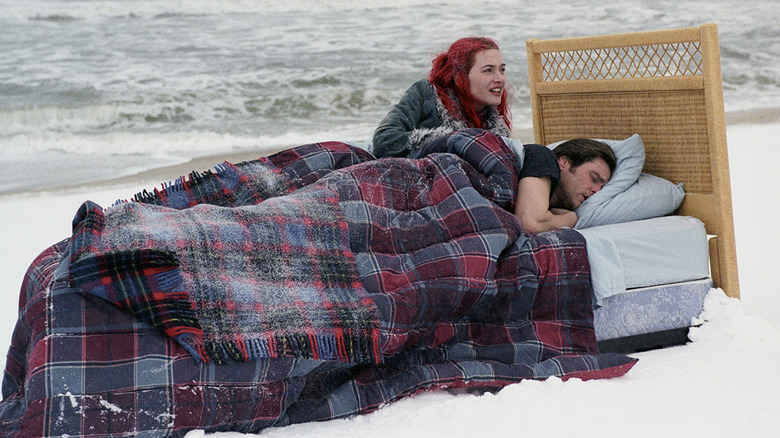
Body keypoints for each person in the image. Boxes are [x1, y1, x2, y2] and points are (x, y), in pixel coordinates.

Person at [372, 37, 512, 158]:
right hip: (425, 180)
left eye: (502, 70)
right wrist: (451, 140)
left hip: (469, 183)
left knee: (531, 152)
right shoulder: (426, 93)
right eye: (488, 70)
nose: (500, 79)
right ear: (460, 76)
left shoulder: (496, 126)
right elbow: (383, 140)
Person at [515, 138, 616, 234]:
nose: (596, 190)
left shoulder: (549, 209)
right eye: (593, 178)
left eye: (602, 188)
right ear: (564, 162)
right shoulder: (543, 156)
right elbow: (530, 224)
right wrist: (571, 218)